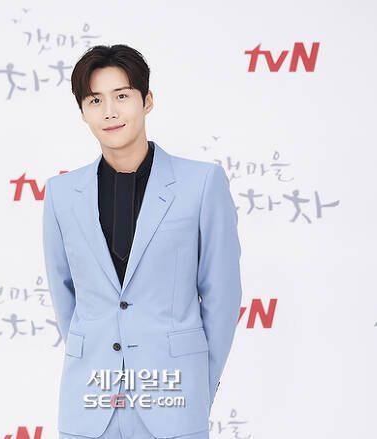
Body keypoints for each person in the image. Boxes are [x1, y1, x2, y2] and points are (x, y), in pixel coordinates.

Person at [42, 44, 243, 439]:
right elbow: (66, 298)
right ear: (83, 112)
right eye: (95, 100)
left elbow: (222, 296)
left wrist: (198, 387)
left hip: (175, 402)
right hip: (89, 405)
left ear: (147, 101)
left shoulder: (201, 184)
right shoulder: (61, 194)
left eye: (122, 96)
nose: (109, 111)